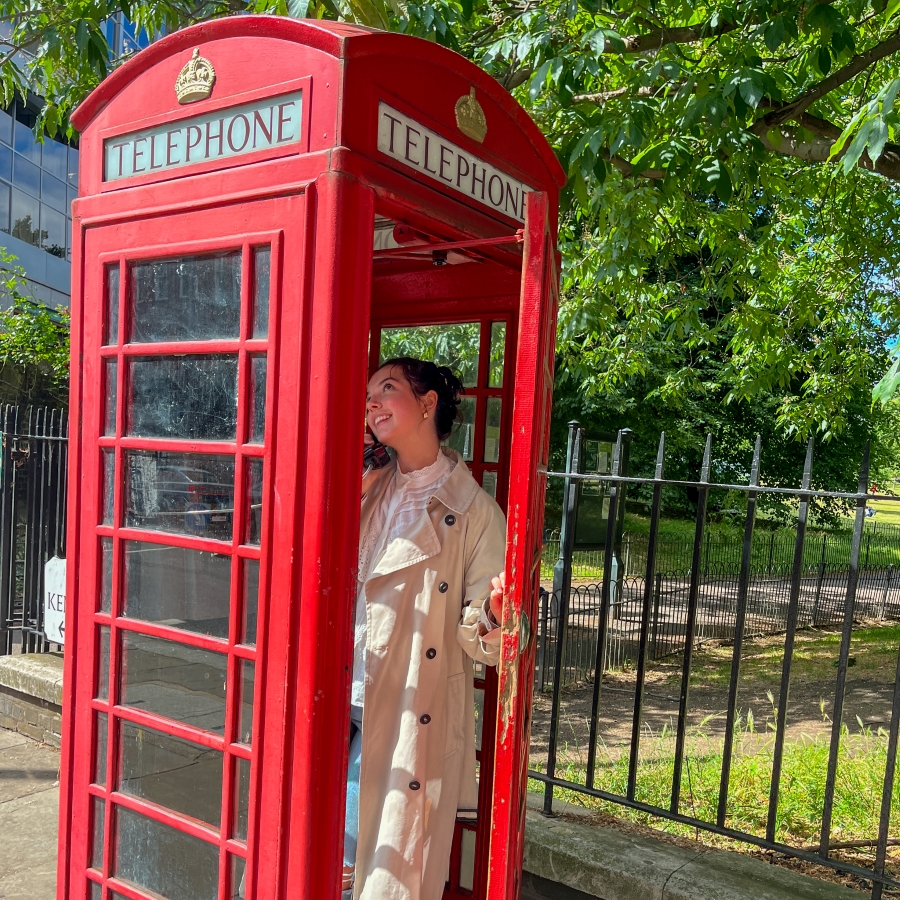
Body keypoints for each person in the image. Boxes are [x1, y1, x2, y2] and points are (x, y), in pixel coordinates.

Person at [343, 357, 506, 900]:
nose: (371, 404)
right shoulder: (369, 482)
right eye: (368, 394)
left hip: (405, 705)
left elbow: (483, 636)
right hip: (334, 686)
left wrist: (496, 617)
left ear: (428, 404)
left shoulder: (476, 512)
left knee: (370, 862)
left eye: (386, 390)